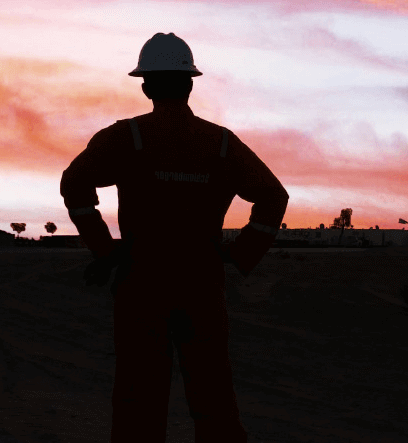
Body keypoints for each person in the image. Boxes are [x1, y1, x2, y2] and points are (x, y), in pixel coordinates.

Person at [60, 32, 288, 443]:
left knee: (138, 399)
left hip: (141, 284)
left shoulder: (126, 138)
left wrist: (104, 248)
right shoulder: (220, 144)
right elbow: (274, 196)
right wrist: (240, 254)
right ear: (190, 84)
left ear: (145, 85)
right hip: (202, 285)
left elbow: (74, 183)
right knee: (214, 395)